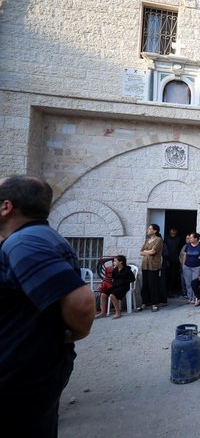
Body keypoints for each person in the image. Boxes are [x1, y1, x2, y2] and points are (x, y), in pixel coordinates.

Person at [0, 175, 95, 436]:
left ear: (6, 206)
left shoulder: (25, 243)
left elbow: (82, 302)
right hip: (34, 366)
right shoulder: (39, 237)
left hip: (19, 374)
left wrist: (70, 334)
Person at [139, 223, 164, 312]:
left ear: (155, 230)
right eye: (148, 229)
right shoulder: (147, 240)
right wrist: (147, 252)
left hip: (154, 265)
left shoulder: (159, 240)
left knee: (153, 284)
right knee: (145, 284)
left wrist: (145, 251)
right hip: (145, 264)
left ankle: (155, 303)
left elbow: (153, 252)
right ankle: (144, 302)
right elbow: (141, 252)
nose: (148, 230)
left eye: (150, 229)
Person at [182, 233, 200, 304]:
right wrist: (183, 265)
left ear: (196, 238)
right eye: (189, 238)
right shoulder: (188, 245)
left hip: (197, 266)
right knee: (188, 283)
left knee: (194, 282)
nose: (189, 239)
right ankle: (190, 298)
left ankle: (196, 298)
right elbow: (185, 255)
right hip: (187, 266)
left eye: (191, 238)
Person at [164, 228, 183, 297]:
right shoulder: (166, 238)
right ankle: (166, 291)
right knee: (166, 275)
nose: (173, 234)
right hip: (167, 259)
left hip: (175, 260)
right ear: (169, 232)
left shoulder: (178, 239)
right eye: (172, 232)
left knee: (173, 275)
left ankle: (171, 290)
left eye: (174, 233)